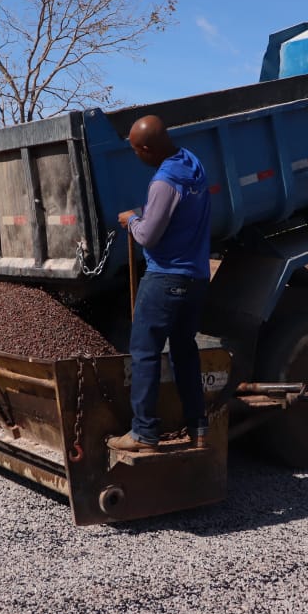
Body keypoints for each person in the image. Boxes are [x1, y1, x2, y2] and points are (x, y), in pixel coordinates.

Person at [107, 115, 213, 453]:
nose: (137, 156)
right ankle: (198, 428)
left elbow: (149, 237)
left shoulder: (164, 181)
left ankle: (143, 435)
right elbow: (176, 214)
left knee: (144, 353)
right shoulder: (192, 165)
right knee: (185, 351)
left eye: (137, 151)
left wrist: (132, 220)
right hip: (196, 279)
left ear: (149, 149)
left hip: (166, 278)